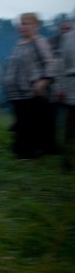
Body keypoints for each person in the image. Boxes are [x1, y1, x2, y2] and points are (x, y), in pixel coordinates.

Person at [4, 13, 57, 158]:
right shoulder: (19, 44)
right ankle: (22, 153)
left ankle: (30, 154)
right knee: (21, 122)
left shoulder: (39, 42)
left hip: (30, 92)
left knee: (30, 124)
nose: (23, 26)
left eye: (27, 23)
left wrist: (44, 80)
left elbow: (50, 62)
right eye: (21, 23)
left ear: (36, 26)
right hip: (16, 93)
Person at [59, 17, 75, 171]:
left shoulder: (68, 37)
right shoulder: (68, 38)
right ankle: (67, 157)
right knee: (70, 123)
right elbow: (62, 64)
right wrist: (61, 86)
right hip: (72, 84)